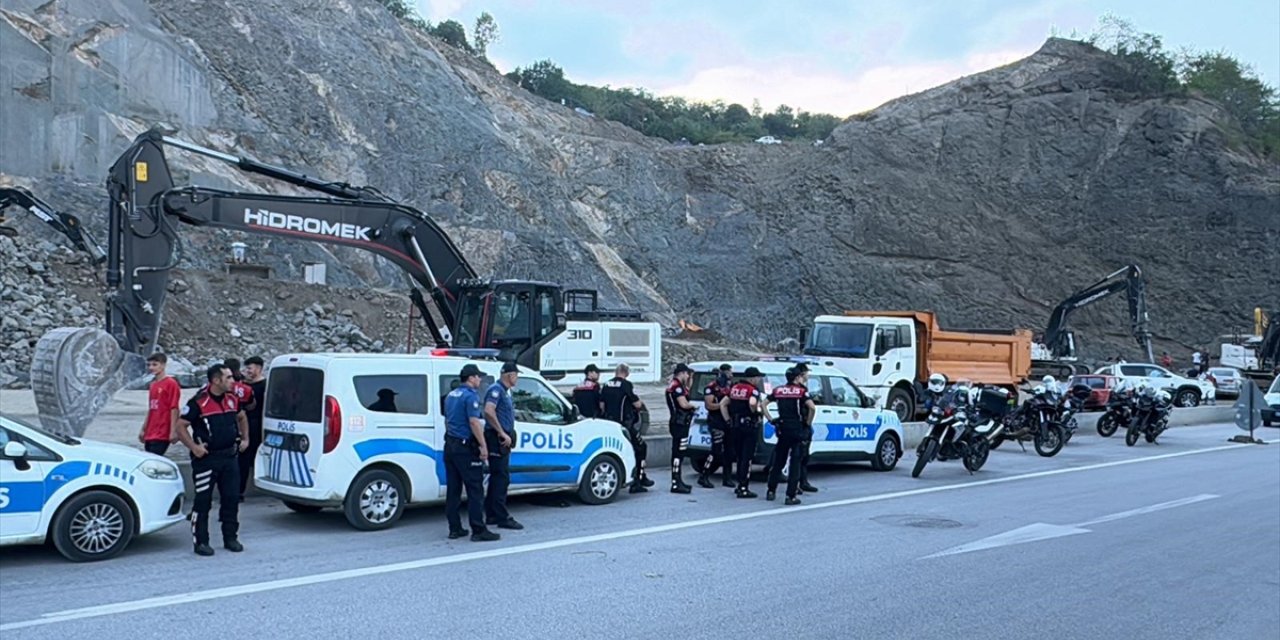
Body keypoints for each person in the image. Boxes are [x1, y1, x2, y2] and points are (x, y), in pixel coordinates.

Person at [175, 364, 249, 556]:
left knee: (231, 499)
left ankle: (231, 538)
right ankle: (201, 542)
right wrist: (194, 447)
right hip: (207, 460)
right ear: (216, 381)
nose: (233, 381)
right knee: (203, 502)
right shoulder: (198, 402)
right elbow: (181, 426)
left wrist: (245, 438)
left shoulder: (233, 399)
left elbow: (242, 417)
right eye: (229, 378)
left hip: (230, 457)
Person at [444, 364, 500, 542]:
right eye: (478, 377)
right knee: (475, 489)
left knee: (453, 489)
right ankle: (478, 529)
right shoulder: (470, 396)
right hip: (465, 447)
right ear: (470, 378)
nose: (480, 380)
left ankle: (455, 528)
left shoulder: (451, 395)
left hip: (451, 445)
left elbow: (448, 420)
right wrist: (483, 446)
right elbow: (474, 422)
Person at [764, 368, 816, 505]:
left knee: (779, 461)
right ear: (797, 377)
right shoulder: (801, 391)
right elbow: (812, 407)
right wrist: (807, 423)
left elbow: (763, 404)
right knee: (795, 463)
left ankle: (771, 490)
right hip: (797, 429)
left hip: (783, 428)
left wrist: (770, 419)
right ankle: (790, 496)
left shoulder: (778, 390)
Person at [483, 362, 523, 530]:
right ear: (510, 375)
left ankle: (491, 513)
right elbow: (488, 411)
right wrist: (501, 432)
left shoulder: (505, 392)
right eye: (516, 375)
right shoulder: (496, 390)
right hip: (496, 439)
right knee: (501, 478)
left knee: (497, 477)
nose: (517, 378)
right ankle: (501, 517)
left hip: (501, 438)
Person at [602, 363, 651, 493]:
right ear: (626, 372)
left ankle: (640, 476)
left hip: (609, 424)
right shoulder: (626, 385)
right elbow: (636, 403)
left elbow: (602, 405)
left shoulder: (606, 384)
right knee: (641, 448)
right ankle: (638, 480)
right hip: (624, 425)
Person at [722, 366, 764, 498]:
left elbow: (723, 404)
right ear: (752, 378)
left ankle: (740, 484)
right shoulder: (753, 390)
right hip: (748, 427)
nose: (758, 380)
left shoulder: (735, 388)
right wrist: (756, 411)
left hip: (735, 426)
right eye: (757, 378)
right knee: (747, 457)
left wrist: (728, 420)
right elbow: (752, 403)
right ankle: (743, 487)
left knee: (740, 457)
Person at [697, 364, 735, 488]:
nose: (731, 375)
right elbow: (709, 405)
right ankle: (704, 476)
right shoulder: (711, 387)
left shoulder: (731, 386)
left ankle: (727, 478)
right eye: (729, 372)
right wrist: (722, 405)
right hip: (716, 421)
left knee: (729, 451)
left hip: (728, 421)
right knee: (716, 450)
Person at [137, 353, 181, 456]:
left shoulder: (171, 384)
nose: (151, 367)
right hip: (151, 431)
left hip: (162, 431)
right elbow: (151, 408)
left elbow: (174, 408)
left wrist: (173, 430)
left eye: (155, 364)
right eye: (149, 365)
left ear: (163, 365)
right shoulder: (153, 385)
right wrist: (144, 428)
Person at [237, 355, 268, 500]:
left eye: (250, 368)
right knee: (243, 459)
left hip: (258, 425)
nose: (247, 371)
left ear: (259, 368)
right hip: (245, 424)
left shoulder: (265, 386)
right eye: (246, 368)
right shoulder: (243, 386)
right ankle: (239, 491)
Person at [665, 363, 697, 494]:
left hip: (679, 422)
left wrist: (691, 379)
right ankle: (675, 482)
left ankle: (678, 480)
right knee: (678, 453)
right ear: (682, 373)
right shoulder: (677, 387)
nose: (688, 376)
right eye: (687, 374)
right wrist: (693, 406)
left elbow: (687, 390)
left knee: (680, 452)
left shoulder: (675, 385)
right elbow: (683, 403)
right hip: (679, 423)